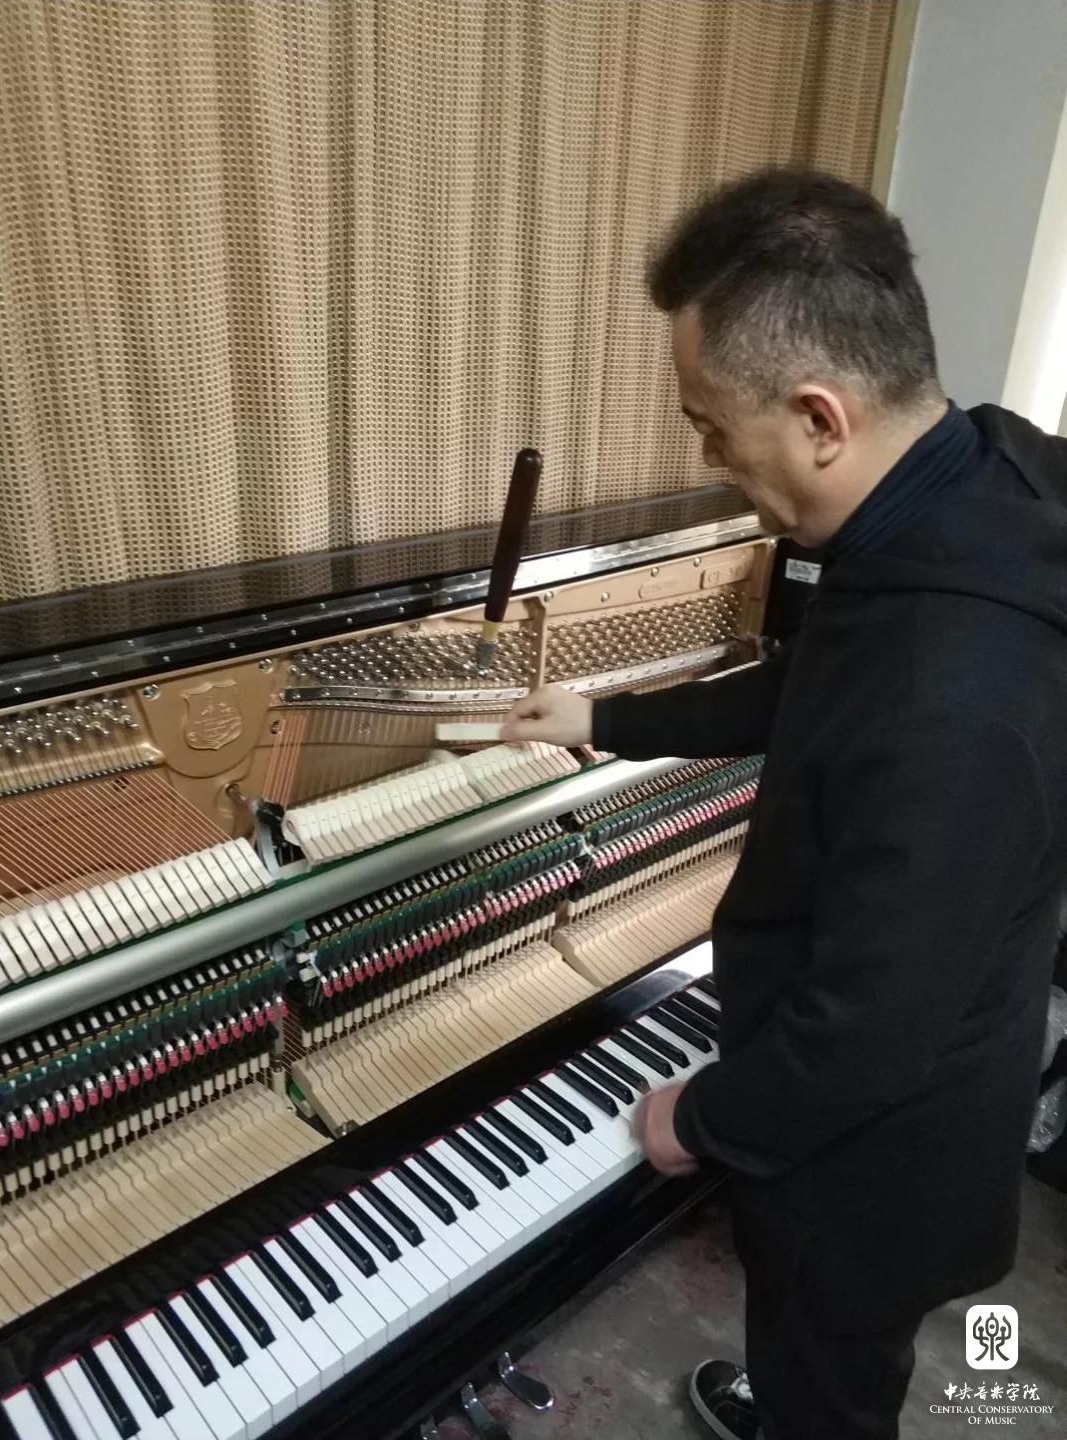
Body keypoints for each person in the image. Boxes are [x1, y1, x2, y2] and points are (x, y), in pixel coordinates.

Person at [501, 168, 1067, 1440]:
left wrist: (698, 1118)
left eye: (711, 428)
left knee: (830, 1372)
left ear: (819, 418)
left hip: (876, 1163)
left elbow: (869, 1034)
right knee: (828, 1355)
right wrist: (606, 720)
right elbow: (816, 686)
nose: (710, 461)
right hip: (923, 1061)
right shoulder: (969, 485)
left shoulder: (957, 697)